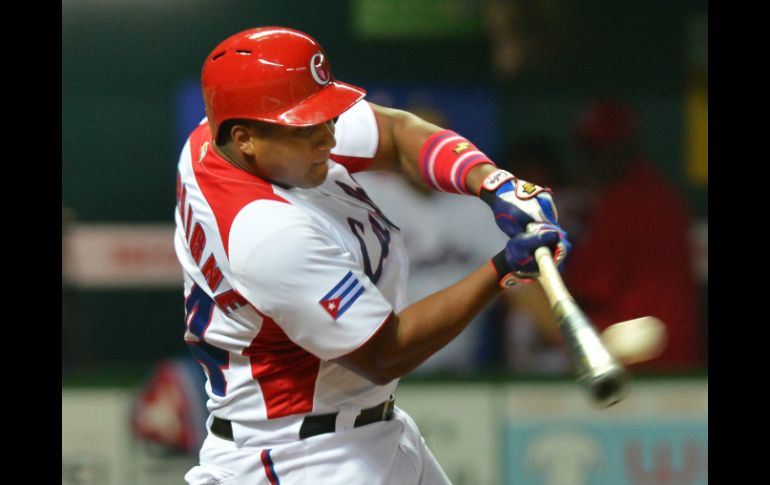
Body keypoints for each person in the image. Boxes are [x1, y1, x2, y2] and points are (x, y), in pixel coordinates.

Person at [174, 27, 570, 484]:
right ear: (244, 139)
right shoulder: (264, 233)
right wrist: (504, 268)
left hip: (362, 427)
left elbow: (399, 135)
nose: (328, 137)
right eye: (308, 126)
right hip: (300, 457)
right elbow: (386, 352)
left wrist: (492, 182)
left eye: (327, 117)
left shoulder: (225, 130)